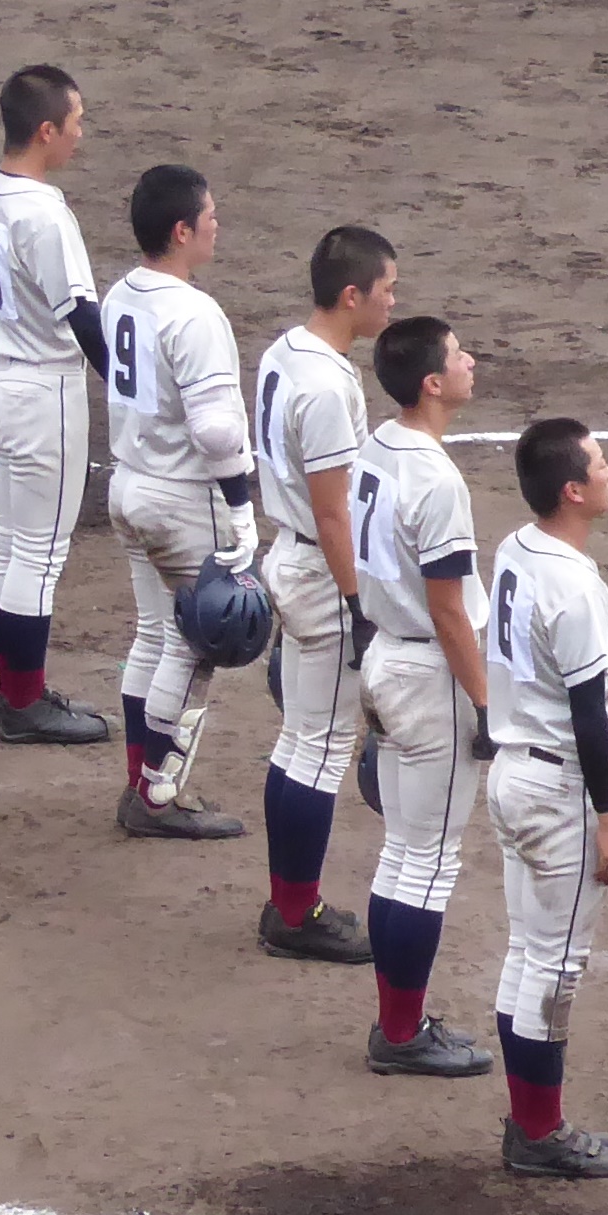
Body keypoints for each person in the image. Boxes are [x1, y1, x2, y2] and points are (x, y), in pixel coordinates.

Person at [482, 421, 608, 1179]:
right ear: (572, 491)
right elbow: (587, 713)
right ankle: (540, 1134)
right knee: (555, 967)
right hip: (557, 792)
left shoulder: (516, 549)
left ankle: (528, 1123)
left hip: (514, 773)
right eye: (600, 465)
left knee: (527, 954)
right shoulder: (574, 586)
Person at [250, 227, 396, 964]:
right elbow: (335, 512)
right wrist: (359, 604)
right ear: (351, 295)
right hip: (320, 570)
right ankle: (295, 914)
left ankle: (288, 903)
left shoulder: (286, 352)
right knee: (321, 748)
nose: (392, 302)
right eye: (386, 290)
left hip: (290, 555)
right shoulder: (328, 386)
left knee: (298, 742)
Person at [350, 316, 492, 1075]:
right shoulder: (436, 479)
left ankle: (396, 1024)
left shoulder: (379, 445)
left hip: (385, 657)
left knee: (402, 855)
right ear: (433, 383)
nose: (470, 361)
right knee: (428, 863)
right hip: (430, 677)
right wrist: (487, 703)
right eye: (458, 355)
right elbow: (448, 609)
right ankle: (402, 1035)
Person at [102, 169, 258, 829]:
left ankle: (137, 782)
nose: (217, 224)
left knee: (153, 633)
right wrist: (242, 510)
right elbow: (217, 431)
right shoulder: (193, 314)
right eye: (209, 216)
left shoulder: (121, 295)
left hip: (129, 486)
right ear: (181, 231)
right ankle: (156, 796)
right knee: (194, 646)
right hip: (181, 502)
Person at [0, 73, 109, 740]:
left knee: (10, 544)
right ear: (46, 131)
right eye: (75, 122)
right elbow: (82, 315)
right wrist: (130, 388)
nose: (80, 133)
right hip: (42, 392)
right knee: (38, 557)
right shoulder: (44, 213)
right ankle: (24, 705)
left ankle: (14, 693)